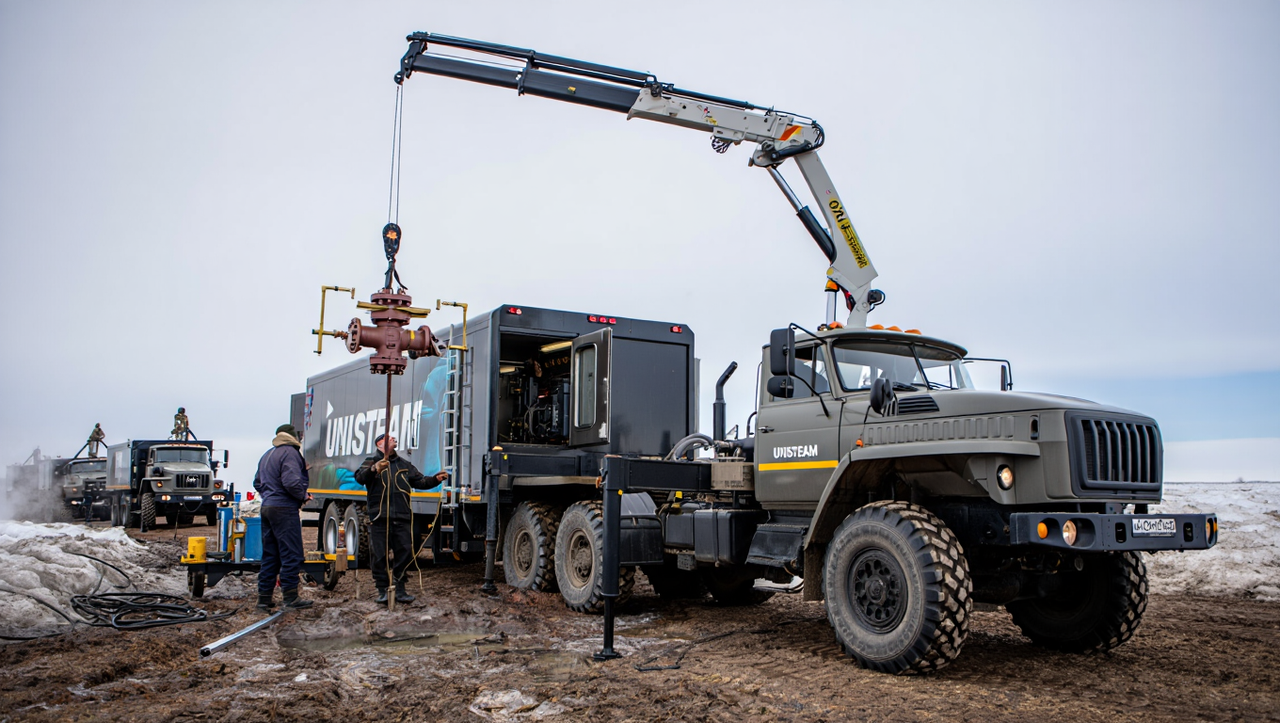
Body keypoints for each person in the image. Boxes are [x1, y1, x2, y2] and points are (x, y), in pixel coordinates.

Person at [355, 433, 448, 605]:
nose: (394, 439)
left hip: (402, 517)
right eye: (390, 438)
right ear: (379, 443)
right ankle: (383, 590)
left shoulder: (404, 465)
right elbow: (360, 478)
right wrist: (374, 469)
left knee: (405, 552)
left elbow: (420, 481)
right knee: (379, 556)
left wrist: (436, 479)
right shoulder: (370, 461)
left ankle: (400, 589)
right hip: (379, 517)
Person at [252, 424, 313, 612]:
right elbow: (291, 481)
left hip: (268, 507)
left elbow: (257, 482)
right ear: (295, 437)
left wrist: (270, 495)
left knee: (271, 555)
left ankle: (263, 600)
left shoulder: (268, 454)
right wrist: (303, 495)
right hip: (284, 509)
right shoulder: (290, 453)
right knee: (290, 553)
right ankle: (290, 597)